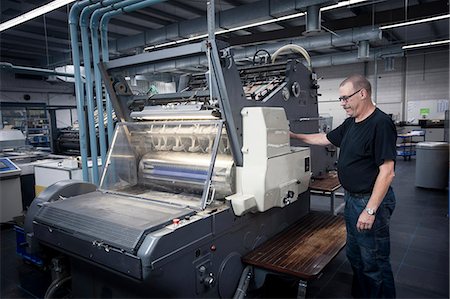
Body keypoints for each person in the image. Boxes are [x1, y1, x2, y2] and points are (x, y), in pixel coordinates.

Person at [290, 74, 397, 298]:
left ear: (363, 94)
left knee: (374, 262)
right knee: (356, 256)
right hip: (351, 199)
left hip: (368, 201)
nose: (342, 103)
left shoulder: (380, 123)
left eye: (345, 98)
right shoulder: (351, 123)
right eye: (340, 99)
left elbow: (387, 172)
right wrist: (291, 135)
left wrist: (370, 211)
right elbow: (325, 139)